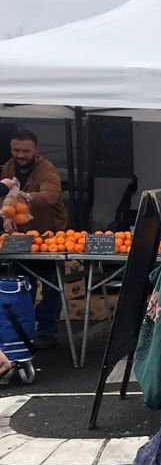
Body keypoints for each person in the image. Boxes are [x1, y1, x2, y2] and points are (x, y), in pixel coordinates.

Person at [1, 127, 69, 348]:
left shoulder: (46, 169)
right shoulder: (8, 167)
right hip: (21, 237)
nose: (20, 155)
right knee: (21, 284)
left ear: (36, 150)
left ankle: (48, 331)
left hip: (49, 236)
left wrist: (26, 195)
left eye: (26, 151)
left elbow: (51, 196)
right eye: (16, 150)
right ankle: (22, 328)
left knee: (51, 285)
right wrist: (7, 217)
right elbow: (6, 198)